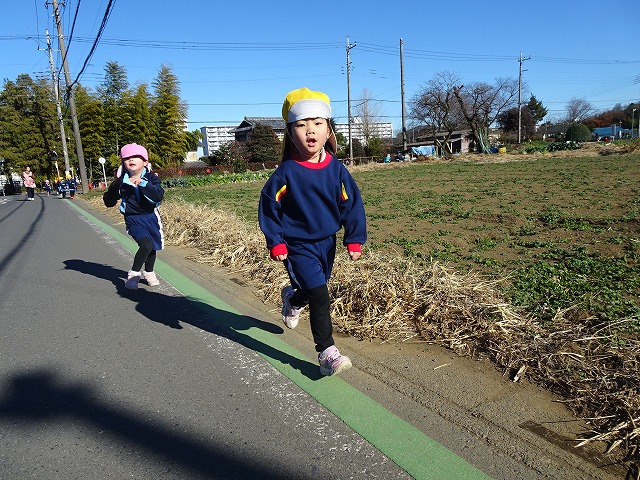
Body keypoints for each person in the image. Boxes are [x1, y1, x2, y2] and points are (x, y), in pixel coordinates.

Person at [258, 88, 367, 376]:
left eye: (318, 123)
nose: (310, 130)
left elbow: (351, 204)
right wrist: (275, 241)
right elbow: (269, 207)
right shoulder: (285, 173)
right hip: (297, 245)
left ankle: (292, 300)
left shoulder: (337, 170)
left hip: (327, 242)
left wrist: (354, 238)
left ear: (328, 130)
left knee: (312, 289)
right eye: (301, 124)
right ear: (290, 133)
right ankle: (327, 353)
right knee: (320, 294)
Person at [103, 143, 164, 290]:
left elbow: (158, 195)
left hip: (151, 217)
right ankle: (134, 274)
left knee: (153, 246)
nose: (131, 160)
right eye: (127, 158)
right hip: (133, 219)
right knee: (146, 244)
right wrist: (112, 194)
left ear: (145, 162)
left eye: (136, 156)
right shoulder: (121, 182)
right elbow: (109, 200)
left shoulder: (151, 179)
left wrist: (143, 184)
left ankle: (149, 272)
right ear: (123, 163)